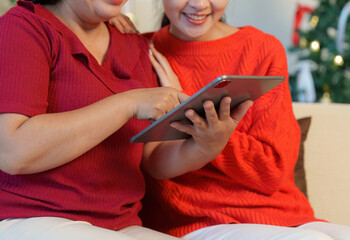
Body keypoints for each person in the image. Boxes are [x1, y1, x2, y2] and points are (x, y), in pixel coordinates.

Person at [108, 1, 350, 240]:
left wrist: (198, 114)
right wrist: (106, 16)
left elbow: (272, 170)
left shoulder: (262, 49)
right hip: (197, 222)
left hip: (284, 215)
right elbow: (153, 163)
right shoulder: (144, 51)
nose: (199, 5)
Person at [0, 0, 253, 240]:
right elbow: (13, 152)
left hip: (120, 225)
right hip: (29, 217)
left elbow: (151, 159)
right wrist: (128, 104)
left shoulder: (133, 45)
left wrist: (206, 146)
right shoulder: (23, 27)